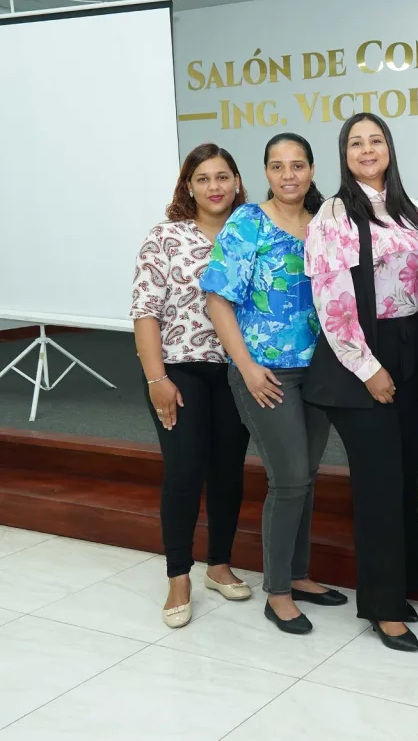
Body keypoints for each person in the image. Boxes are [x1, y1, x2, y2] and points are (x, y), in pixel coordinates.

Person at [200, 133, 343, 636]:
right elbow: (217, 299)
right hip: (265, 372)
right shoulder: (247, 222)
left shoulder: (326, 221)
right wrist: (247, 367)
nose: (288, 175)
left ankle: (298, 575)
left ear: (310, 169)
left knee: (306, 476)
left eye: (298, 165)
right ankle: (277, 591)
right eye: (278, 166)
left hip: (321, 371)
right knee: (289, 479)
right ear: (265, 172)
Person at [302, 113, 418, 652]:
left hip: (411, 347)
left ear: (390, 148)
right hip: (359, 358)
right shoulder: (332, 215)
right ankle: (380, 607)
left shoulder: (412, 208)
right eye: (355, 143)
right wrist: (369, 367)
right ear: (343, 154)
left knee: (406, 473)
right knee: (378, 483)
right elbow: (332, 303)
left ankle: (401, 586)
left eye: (375, 140)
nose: (366, 149)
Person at [130, 144, 252, 629]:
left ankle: (218, 565)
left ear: (238, 182)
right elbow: (145, 311)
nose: (215, 187)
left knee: (228, 470)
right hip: (178, 369)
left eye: (223, 176)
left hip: (236, 371)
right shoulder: (165, 237)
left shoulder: (250, 233)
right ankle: (178, 575)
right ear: (188, 187)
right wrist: (156, 378)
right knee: (184, 470)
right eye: (203, 179)